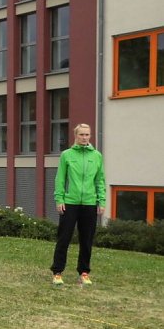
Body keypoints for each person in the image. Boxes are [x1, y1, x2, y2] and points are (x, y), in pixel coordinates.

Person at [50, 123, 106, 286]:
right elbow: (60, 179)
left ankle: (84, 272)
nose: (84, 137)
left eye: (87, 135)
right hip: (70, 203)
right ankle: (57, 272)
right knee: (64, 238)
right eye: (81, 134)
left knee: (87, 239)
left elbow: (100, 180)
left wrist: (101, 200)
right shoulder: (66, 155)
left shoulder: (96, 156)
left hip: (89, 203)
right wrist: (59, 199)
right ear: (75, 136)